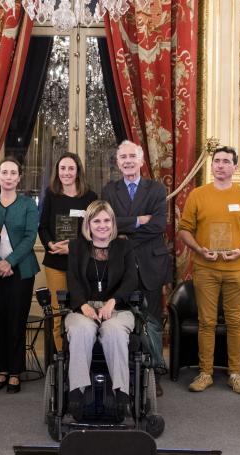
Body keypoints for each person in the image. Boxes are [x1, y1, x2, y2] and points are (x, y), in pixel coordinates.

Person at [177, 146, 240, 395]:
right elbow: (184, 229)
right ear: (211, 165)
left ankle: (235, 374)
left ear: (234, 167)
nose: (220, 165)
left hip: (237, 269)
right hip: (206, 268)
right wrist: (200, 249)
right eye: (217, 161)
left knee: (236, 322)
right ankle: (205, 373)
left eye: (226, 161)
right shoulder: (198, 195)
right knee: (207, 322)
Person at [101, 140, 170, 397]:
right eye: (123, 157)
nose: (128, 161)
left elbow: (159, 225)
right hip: (119, 265)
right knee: (119, 321)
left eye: (132, 156)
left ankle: (153, 374)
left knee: (150, 321)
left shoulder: (156, 189)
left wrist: (125, 230)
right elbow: (105, 224)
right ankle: (124, 371)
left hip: (151, 264)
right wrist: (138, 221)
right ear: (118, 162)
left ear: (141, 161)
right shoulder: (109, 190)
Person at [65, 200, 139, 420]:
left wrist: (113, 301)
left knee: (114, 331)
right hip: (83, 309)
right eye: (96, 221)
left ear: (113, 223)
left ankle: (121, 394)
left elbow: (131, 279)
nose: (102, 225)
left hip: (117, 309)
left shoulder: (124, 246)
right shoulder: (77, 247)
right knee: (81, 331)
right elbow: (73, 279)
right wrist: (83, 305)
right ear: (88, 224)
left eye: (107, 220)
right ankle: (77, 393)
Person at [0, 158, 39, 394]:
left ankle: (16, 371)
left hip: (22, 271)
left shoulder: (28, 205)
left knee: (16, 321)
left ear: (19, 178)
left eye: (13, 173)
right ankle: (3, 370)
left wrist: (10, 262)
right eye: (4, 172)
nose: (8, 176)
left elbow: (29, 238)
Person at [38, 152, 97, 353]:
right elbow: (43, 227)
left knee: (81, 312)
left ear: (78, 171)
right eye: (62, 168)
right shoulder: (51, 195)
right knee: (59, 315)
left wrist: (72, 248)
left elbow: (95, 230)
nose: (66, 172)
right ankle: (64, 361)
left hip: (82, 264)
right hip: (56, 264)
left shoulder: (90, 197)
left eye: (71, 168)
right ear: (57, 171)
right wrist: (51, 244)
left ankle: (83, 357)